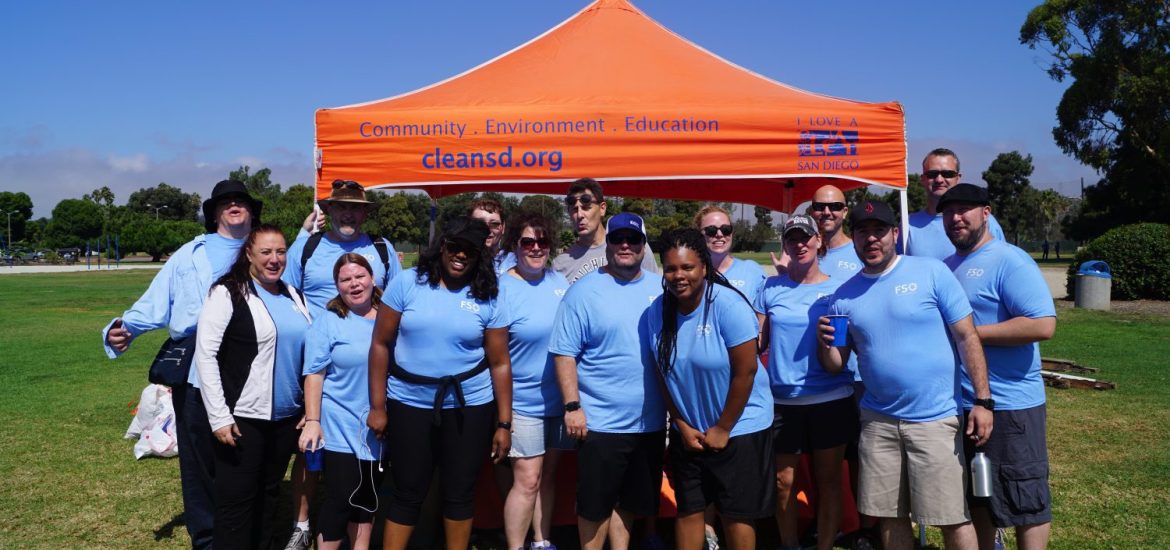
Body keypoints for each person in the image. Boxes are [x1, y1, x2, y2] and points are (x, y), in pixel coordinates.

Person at [816, 200, 994, 550]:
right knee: (890, 517)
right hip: (878, 423)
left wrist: (983, 400)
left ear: (895, 234)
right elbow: (837, 363)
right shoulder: (842, 298)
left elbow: (967, 336)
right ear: (854, 238)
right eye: (863, 232)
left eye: (879, 231)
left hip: (934, 420)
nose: (871, 239)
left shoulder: (931, 272)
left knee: (951, 517)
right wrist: (825, 345)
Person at [102, 179, 263, 549]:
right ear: (215, 213)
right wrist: (124, 328)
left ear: (251, 212)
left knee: (247, 455)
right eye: (225, 201)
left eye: (241, 200)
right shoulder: (190, 254)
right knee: (198, 459)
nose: (233, 205)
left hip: (253, 368)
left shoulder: (266, 250)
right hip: (194, 370)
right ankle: (206, 539)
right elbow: (157, 300)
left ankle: (245, 532)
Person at [367, 216, 513, 550]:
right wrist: (377, 406)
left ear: (479, 256)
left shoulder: (489, 294)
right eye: (455, 247)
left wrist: (504, 423)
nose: (461, 255)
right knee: (407, 491)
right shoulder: (407, 283)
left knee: (460, 493)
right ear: (442, 246)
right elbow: (380, 344)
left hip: (468, 407)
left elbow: (500, 362)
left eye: (470, 251)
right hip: (408, 403)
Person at [280, 179, 400, 548]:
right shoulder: (309, 246)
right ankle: (302, 523)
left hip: (371, 381)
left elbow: (398, 301)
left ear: (365, 213)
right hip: (322, 369)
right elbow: (285, 294)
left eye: (355, 207)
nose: (348, 213)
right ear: (329, 210)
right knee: (312, 455)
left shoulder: (381, 249)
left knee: (364, 489)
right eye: (341, 206)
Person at [940, 184, 1057, 550]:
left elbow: (1042, 324)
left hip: (1011, 405)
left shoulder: (1010, 260)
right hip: (963, 404)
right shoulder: (947, 267)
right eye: (949, 211)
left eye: (964, 210)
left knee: (1025, 499)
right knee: (979, 495)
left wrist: (971, 335)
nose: (956, 218)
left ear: (986, 213)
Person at [646, 228, 775, 550]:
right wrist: (680, 423)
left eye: (687, 267)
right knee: (689, 509)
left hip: (739, 427)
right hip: (690, 431)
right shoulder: (656, 312)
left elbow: (746, 371)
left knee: (736, 514)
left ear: (704, 267)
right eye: (671, 268)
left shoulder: (728, 305)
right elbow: (662, 373)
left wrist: (723, 428)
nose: (679, 275)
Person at [550, 212, 666, 550]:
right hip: (600, 422)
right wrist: (572, 406)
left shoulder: (660, 289)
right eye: (617, 239)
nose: (625, 245)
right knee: (594, 506)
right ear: (608, 244)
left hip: (648, 422)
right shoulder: (583, 292)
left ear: (644, 245)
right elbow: (563, 353)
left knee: (628, 502)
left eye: (633, 239)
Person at [194, 224, 312, 549]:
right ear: (249, 254)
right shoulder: (227, 292)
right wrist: (219, 416)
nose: (274, 259)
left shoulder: (293, 295)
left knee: (269, 494)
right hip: (243, 418)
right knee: (237, 503)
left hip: (286, 419)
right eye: (266, 252)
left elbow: (305, 354)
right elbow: (205, 355)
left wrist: (308, 408)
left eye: (281, 252)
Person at [756, 215, 857, 550]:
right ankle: (790, 545)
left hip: (830, 398)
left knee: (828, 483)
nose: (799, 244)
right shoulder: (770, 288)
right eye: (792, 239)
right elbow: (757, 341)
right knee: (782, 482)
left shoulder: (838, 289)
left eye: (805, 238)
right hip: (783, 402)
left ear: (818, 241)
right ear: (784, 245)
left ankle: (825, 545)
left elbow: (842, 348)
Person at [299, 254, 386, 550]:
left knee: (367, 499)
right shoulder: (328, 322)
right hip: (339, 425)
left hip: (378, 428)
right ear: (337, 286)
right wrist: (313, 421)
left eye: (359, 276)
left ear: (372, 278)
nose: (354, 284)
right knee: (340, 498)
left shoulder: (390, 317)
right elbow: (314, 374)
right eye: (345, 279)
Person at [498, 212, 572, 550]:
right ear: (515, 245)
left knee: (546, 477)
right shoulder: (502, 287)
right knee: (527, 480)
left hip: (559, 400)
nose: (536, 248)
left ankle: (542, 542)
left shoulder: (559, 282)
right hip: (521, 402)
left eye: (543, 241)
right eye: (528, 242)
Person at [902, 148, 1005, 260]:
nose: (939, 179)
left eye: (947, 174)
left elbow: (1001, 261)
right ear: (923, 179)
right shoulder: (908, 225)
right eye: (932, 174)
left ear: (958, 178)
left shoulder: (984, 221)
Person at [552, 178, 658, 284]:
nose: (579, 215)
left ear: (602, 209)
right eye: (574, 209)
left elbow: (655, 288)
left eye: (586, 208)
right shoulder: (561, 264)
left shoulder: (635, 247)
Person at [694, 204, 767, 301]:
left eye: (726, 229)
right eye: (711, 230)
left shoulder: (752, 270)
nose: (719, 234)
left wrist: (783, 278)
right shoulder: (690, 273)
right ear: (698, 234)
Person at [807, 185, 862, 280]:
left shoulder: (861, 252)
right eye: (819, 207)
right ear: (812, 212)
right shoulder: (802, 252)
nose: (826, 212)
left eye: (834, 206)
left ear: (845, 212)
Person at [469, 197, 517, 276]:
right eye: (479, 223)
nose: (487, 229)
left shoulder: (517, 263)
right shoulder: (458, 260)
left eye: (494, 224)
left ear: (503, 227)